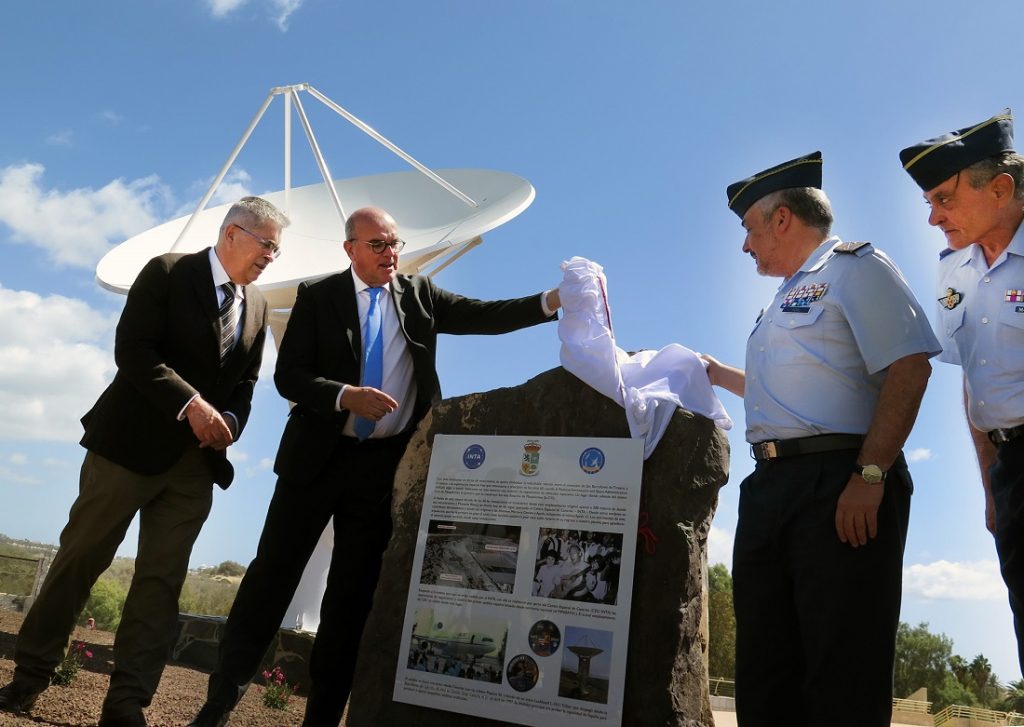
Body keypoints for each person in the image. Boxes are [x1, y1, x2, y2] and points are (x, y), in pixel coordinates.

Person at [189, 206, 560, 727]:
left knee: (351, 600)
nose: (391, 254)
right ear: (351, 249)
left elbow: (485, 315)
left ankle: (322, 719)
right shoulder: (318, 297)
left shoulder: (420, 295)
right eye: (378, 245)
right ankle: (218, 707)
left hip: (380, 473)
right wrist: (345, 396)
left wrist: (551, 301)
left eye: (395, 243)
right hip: (315, 464)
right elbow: (290, 376)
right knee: (269, 583)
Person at [0, 197, 287, 727]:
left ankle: (127, 704)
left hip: (195, 467)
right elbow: (133, 350)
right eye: (266, 244)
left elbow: (246, 384)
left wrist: (229, 420)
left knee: (160, 585)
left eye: (277, 248)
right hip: (126, 451)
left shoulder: (260, 307)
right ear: (232, 233)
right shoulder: (167, 272)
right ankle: (30, 677)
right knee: (79, 561)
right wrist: (191, 405)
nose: (271, 255)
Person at [701, 152, 940, 726]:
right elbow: (794, 394)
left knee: (841, 665)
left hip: (839, 481)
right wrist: (714, 372)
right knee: (766, 665)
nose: (745, 246)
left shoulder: (856, 267)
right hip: (771, 485)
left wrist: (870, 475)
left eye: (749, 229)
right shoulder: (783, 297)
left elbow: (909, 367)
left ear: (782, 219)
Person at [900, 109, 1024, 673]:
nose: (933, 218)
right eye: (929, 203)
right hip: (1010, 469)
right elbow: (976, 382)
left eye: (944, 199)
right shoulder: (955, 269)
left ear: (1000, 189)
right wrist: (991, 488)